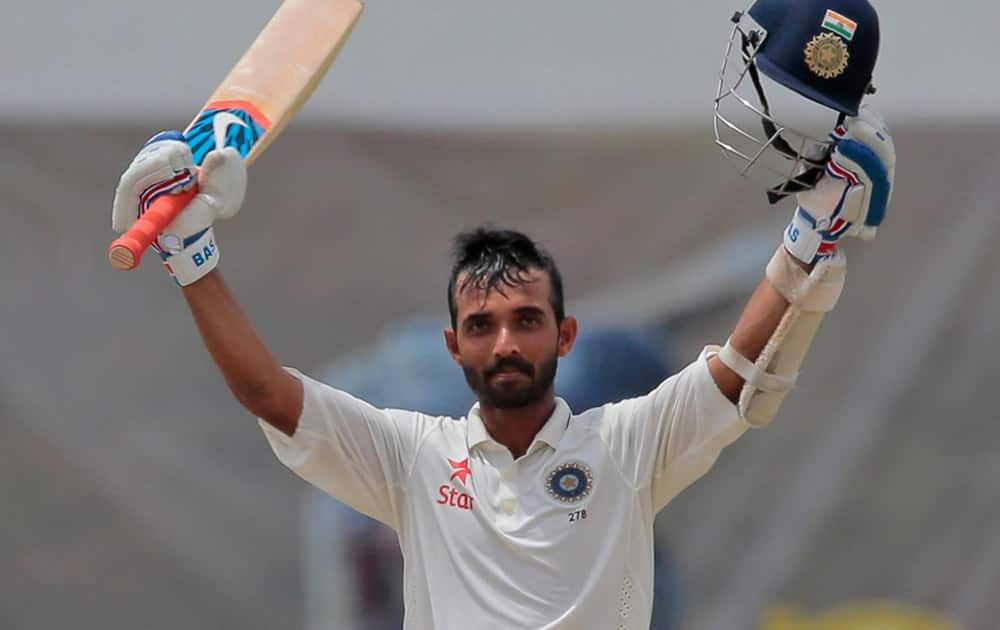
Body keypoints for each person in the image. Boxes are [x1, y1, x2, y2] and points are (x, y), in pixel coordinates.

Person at [110, 3, 895, 625]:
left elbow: (739, 373)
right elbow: (267, 395)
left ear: (565, 333)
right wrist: (191, 254)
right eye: (483, 327)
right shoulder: (413, 456)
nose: (507, 343)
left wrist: (809, 238)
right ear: (455, 346)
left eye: (526, 320)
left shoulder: (623, 446)